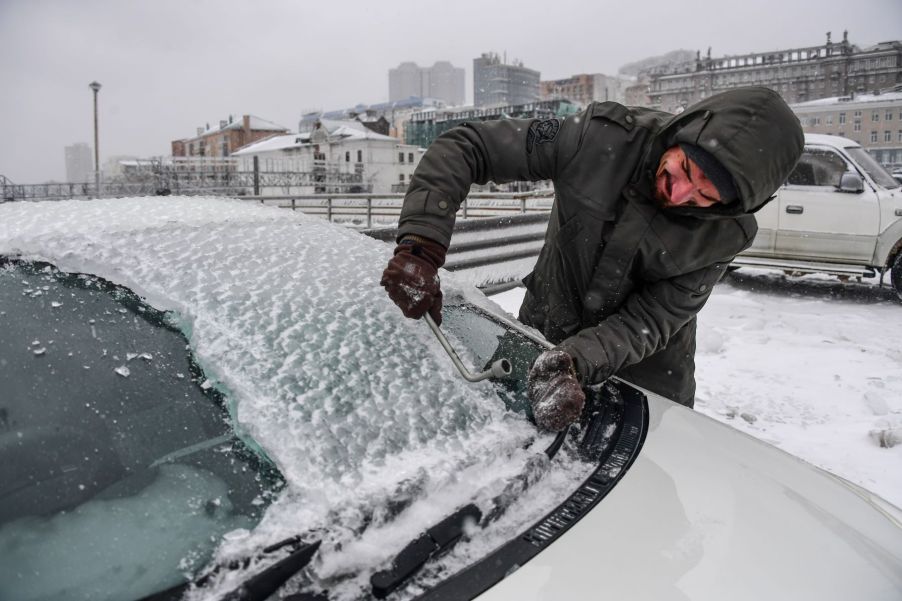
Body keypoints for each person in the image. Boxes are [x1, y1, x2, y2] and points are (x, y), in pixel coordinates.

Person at [381, 86, 803, 431]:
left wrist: (573, 363)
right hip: (540, 336)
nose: (680, 195)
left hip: (647, 383)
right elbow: (468, 145)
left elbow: (653, 318)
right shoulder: (599, 138)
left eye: (705, 196)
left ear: (733, 206)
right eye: (685, 170)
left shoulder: (725, 234)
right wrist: (421, 245)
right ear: (683, 134)